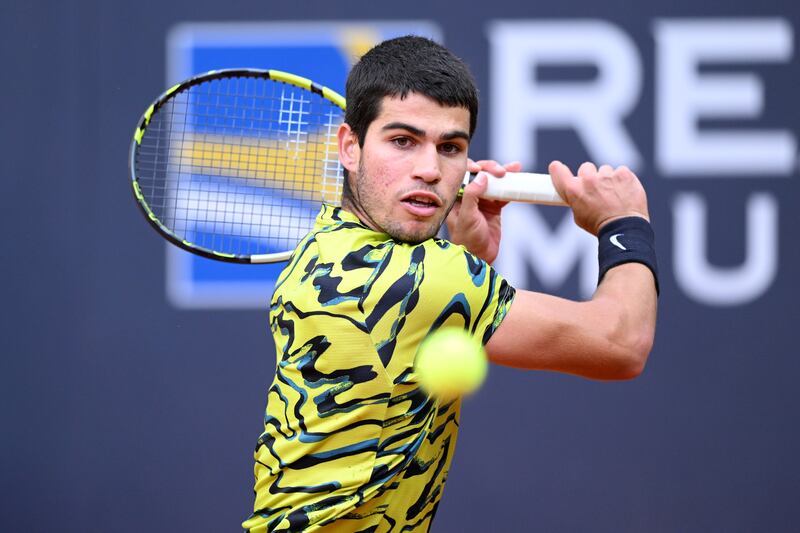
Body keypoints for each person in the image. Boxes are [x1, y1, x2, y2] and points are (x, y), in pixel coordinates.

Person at [243, 35, 658, 532]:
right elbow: (621, 342)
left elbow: (414, 329)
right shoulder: (422, 279)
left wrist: (469, 254)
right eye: (402, 141)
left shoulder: (325, 242)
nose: (429, 170)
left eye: (450, 148)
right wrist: (625, 223)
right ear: (349, 146)